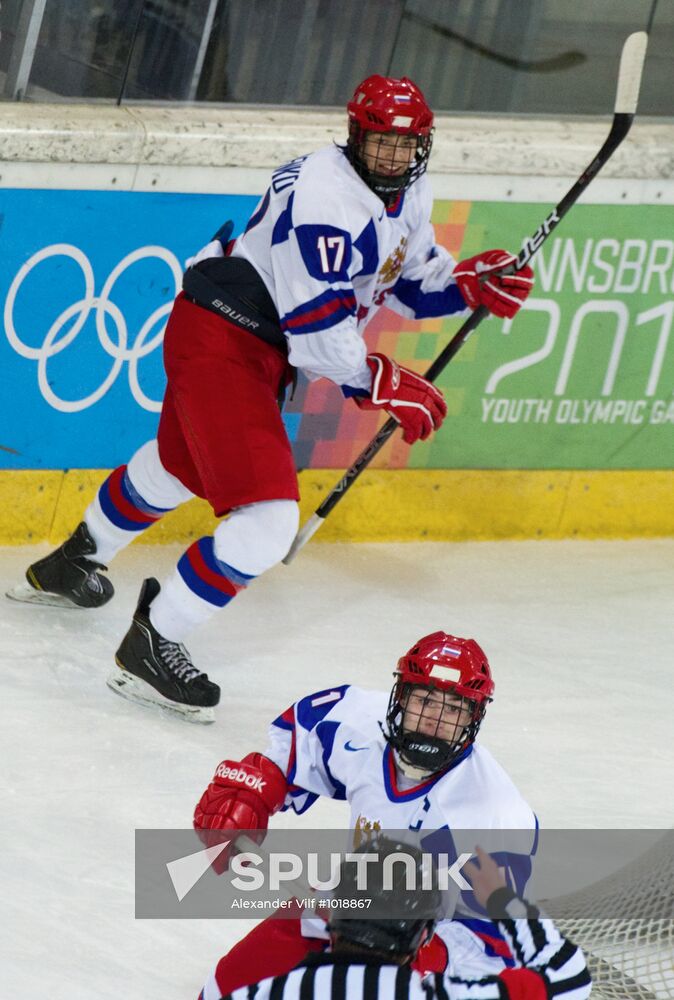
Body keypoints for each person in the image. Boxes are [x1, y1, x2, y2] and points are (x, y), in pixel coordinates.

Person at [7, 76, 534, 723]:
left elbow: (410, 282)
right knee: (266, 523)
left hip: (237, 337)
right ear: (355, 136)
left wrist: (467, 286)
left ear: (422, 146)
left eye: (406, 146)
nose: (393, 158)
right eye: (381, 143)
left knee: (179, 467)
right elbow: (318, 334)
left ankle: (74, 561)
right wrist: (388, 384)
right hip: (227, 336)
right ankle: (155, 640)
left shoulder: (408, 193)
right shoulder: (325, 196)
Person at [193, 631, 540, 997]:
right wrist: (254, 792)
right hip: (342, 906)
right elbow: (295, 747)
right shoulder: (353, 721)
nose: (435, 720)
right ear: (401, 698)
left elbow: (495, 943)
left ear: (474, 717)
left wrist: (407, 943)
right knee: (222, 992)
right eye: (425, 700)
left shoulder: (493, 814)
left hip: (422, 943)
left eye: (453, 709)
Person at [214, 841, 591, 1000]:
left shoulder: (264, 994)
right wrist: (499, 899)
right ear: (425, 936)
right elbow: (569, 975)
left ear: (331, 918)